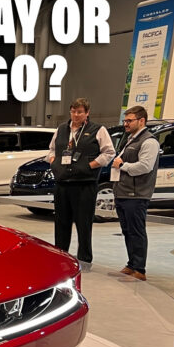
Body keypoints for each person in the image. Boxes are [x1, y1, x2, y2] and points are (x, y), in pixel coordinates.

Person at [46, 98, 115, 264]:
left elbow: (109, 153)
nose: (76, 115)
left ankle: (84, 259)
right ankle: (61, 257)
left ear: (87, 113)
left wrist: (90, 165)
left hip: (84, 184)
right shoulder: (62, 129)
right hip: (62, 184)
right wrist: (54, 162)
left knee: (83, 224)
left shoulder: (98, 130)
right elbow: (52, 150)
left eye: (80, 112)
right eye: (73, 112)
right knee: (61, 223)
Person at [111, 106, 159, 281]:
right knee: (127, 231)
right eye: (125, 120)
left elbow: (145, 166)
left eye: (129, 121)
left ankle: (139, 269)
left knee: (136, 231)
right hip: (123, 192)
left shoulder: (149, 142)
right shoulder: (131, 139)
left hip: (136, 194)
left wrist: (122, 165)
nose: (126, 124)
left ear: (142, 121)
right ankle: (131, 264)